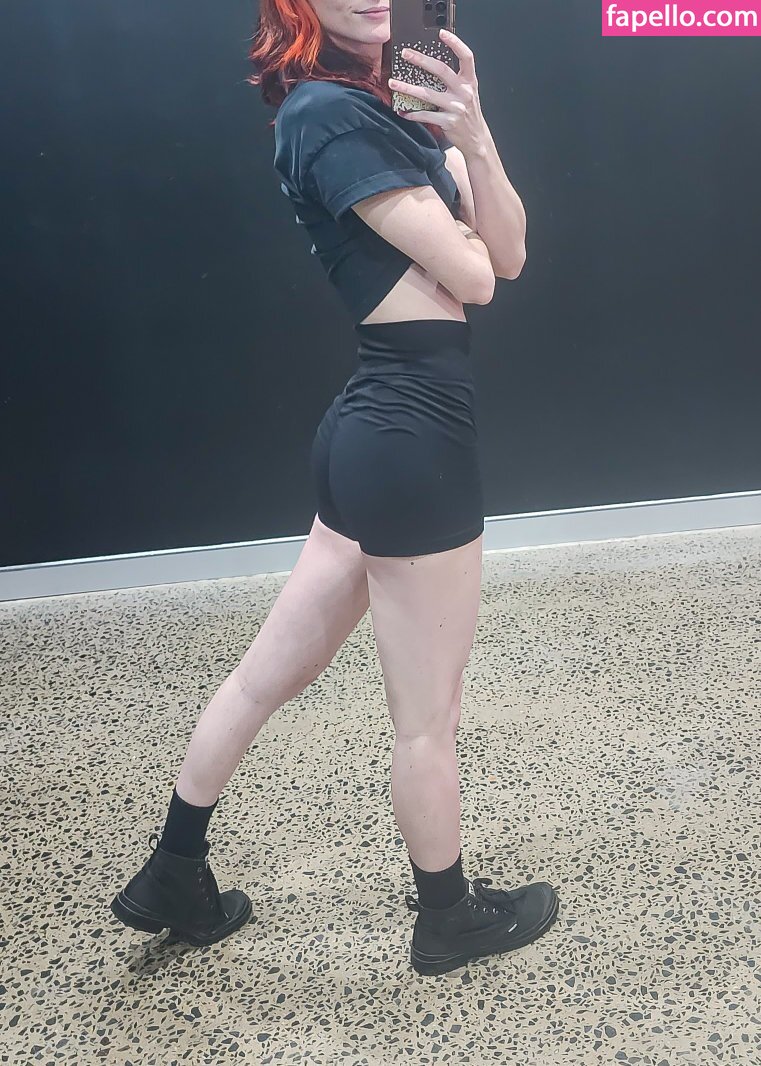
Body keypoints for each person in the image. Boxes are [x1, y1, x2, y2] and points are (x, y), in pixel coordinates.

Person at [111, 0, 559, 977]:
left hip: (379, 431)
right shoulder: (324, 113)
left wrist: (474, 133)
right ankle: (447, 918)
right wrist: (464, 220)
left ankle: (172, 870)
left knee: (265, 676)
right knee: (426, 721)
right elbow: (477, 278)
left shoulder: (390, 116)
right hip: (410, 442)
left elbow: (511, 251)